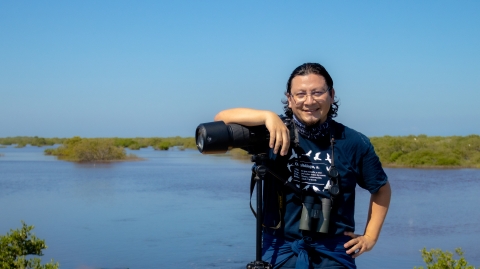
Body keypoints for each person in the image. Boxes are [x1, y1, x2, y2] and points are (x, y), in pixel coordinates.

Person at [214, 63, 391, 269]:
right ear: (289, 99)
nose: (309, 101)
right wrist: (266, 116)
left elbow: (381, 189)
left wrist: (370, 237)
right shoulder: (272, 132)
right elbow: (221, 120)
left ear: (331, 95)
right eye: (300, 94)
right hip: (281, 249)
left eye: (317, 92)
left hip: (332, 253)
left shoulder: (353, 142)